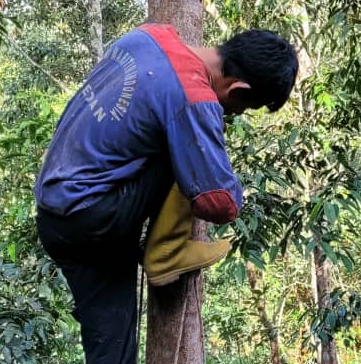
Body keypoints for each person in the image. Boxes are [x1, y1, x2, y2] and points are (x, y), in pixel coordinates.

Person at [34, 22, 298, 364]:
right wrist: (233, 184)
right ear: (238, 89)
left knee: (112, 353)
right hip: (94, 215)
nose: (235, 113)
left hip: (56, 214)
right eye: (245, 106)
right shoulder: (193, 97)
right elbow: (220, 203)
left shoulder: (149, 35)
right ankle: (166, 253)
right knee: (189, 150)